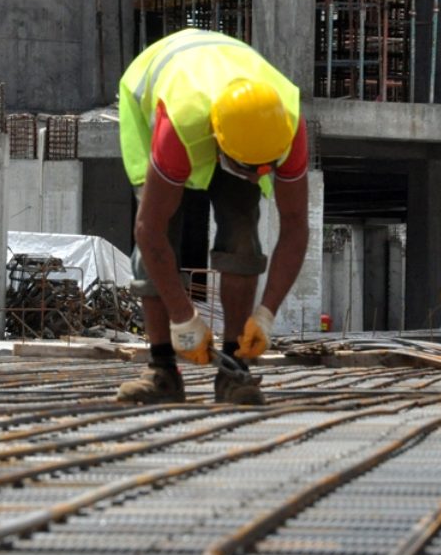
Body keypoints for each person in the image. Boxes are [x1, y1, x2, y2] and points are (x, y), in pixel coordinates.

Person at [116, 29, 310, 406]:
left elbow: (295, 225)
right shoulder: (180, 125)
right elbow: (149, 230)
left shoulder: (285, 123)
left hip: (239, 115)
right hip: (156, 105)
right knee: (160, 233)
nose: (258, 176)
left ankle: (235, 370)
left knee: (242, 230)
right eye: (248, 167)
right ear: (218, 141)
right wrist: (182, 317)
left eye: (265, 168)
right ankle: (161, 371)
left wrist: (266, 314)